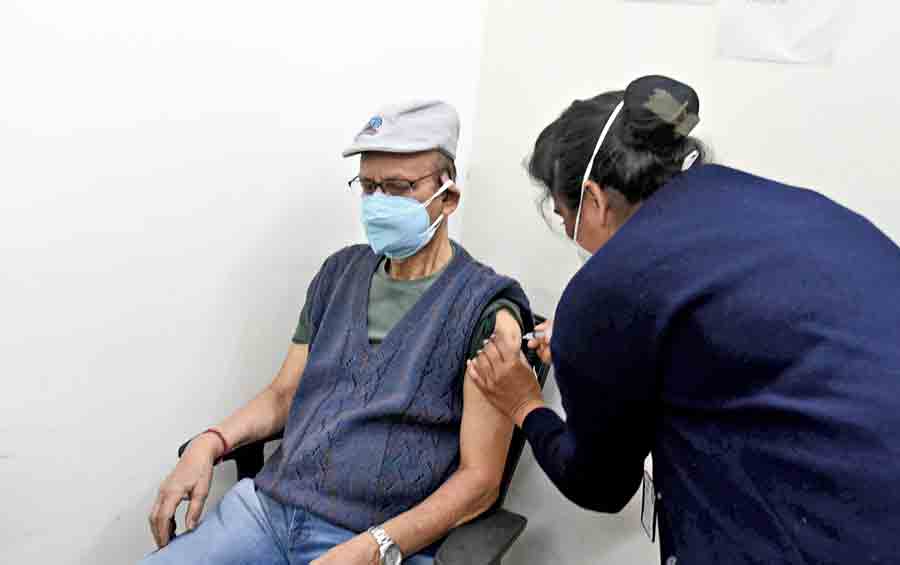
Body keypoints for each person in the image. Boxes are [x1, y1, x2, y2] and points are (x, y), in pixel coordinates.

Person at [467, 75, 900, 564]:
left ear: (593, 199)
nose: (569, 231)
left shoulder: (611, 284)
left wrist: (524, 402)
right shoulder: (777, 205)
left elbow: (601, 486)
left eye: (564, 215)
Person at [142, 100, 533, 565]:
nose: (379, 202)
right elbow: (284, 395)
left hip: (378, 540)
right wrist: (211, 442)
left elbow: (480, 481)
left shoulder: (486, 309)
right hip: (270, 509)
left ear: (448, 198)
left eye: (398, 187)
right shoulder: (338, 273)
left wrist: (376, 547)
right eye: (369, 186)